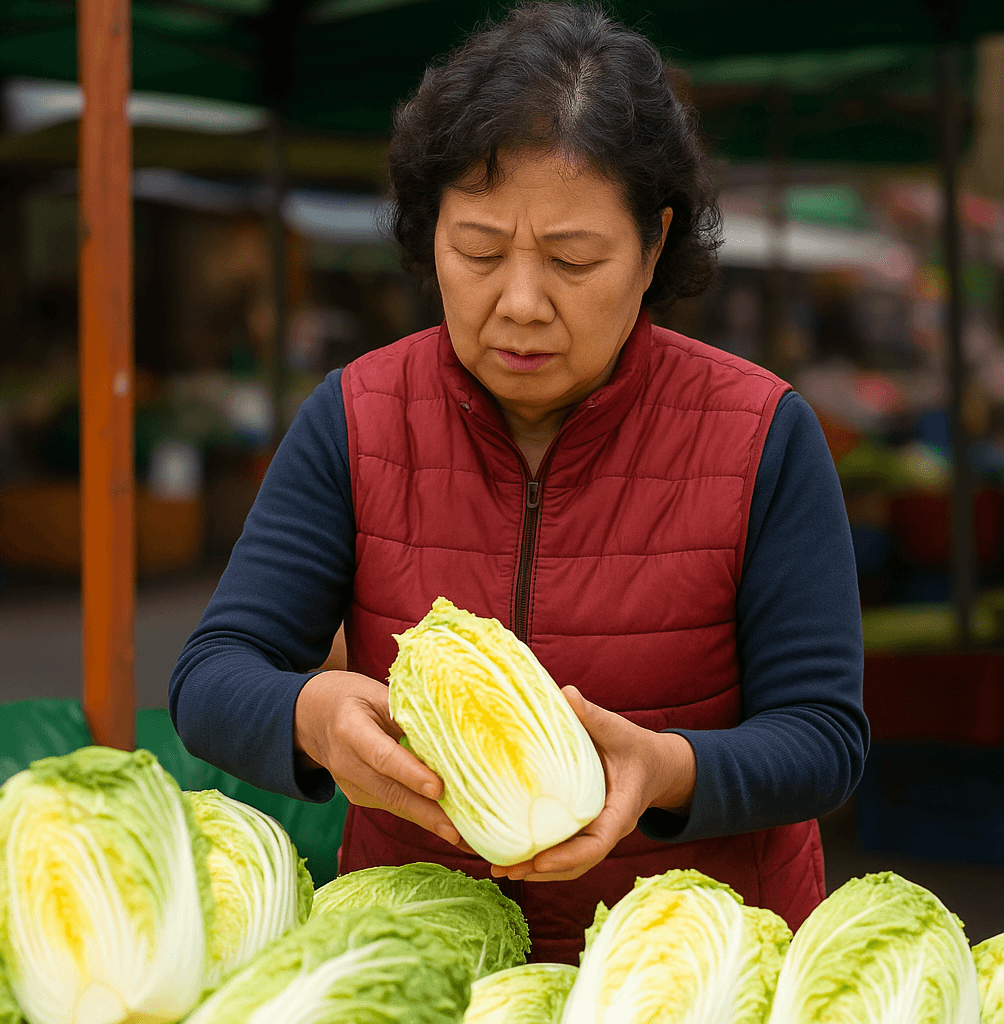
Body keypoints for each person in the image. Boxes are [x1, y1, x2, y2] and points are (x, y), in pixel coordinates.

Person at [170, 1, 868, 964]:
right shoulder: (357, 415)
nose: (522, 302)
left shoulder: (761, 434)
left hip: (688, 973)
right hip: (425, 959)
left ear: (654, 245)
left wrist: (666, 769)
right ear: (430, 239)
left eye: (574, 260)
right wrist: (311, 717)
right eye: (480, 252)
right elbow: (211, 676)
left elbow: (825, 738)